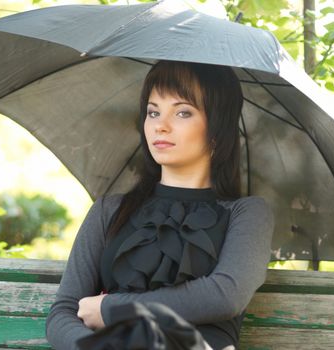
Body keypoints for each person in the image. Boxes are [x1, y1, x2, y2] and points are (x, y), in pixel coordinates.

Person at [45, 60, 274, 350]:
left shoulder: (247, 214)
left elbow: (225, 295)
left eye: (182, 112)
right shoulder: (110, 210)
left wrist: (112, 309)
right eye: (153, 112)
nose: (160, 126)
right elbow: (63, 312)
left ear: (216, 128)